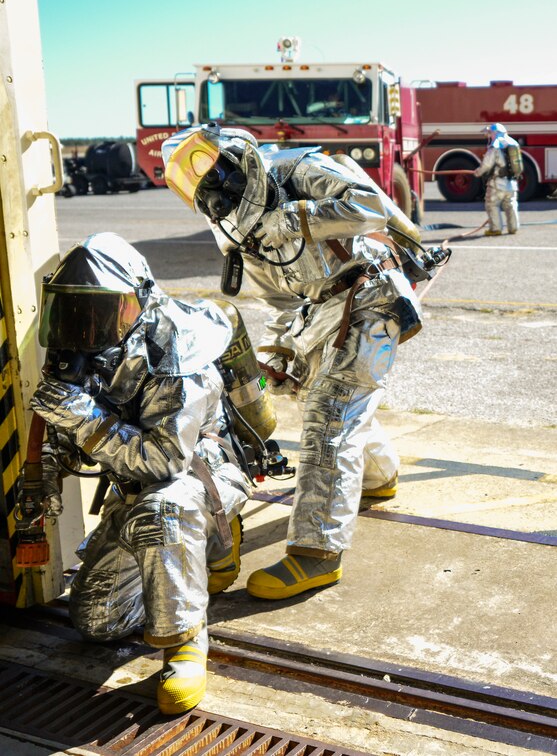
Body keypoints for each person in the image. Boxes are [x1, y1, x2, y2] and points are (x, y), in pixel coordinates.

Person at [162, 123, 424, 601]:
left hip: (372, 293)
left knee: (332, 407)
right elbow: (282, 301)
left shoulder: (296, 169)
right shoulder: (233, 234)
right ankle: (379, 477)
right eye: (187, 182)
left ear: (233, 159)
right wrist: (282, 350)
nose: (204, 187)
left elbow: (372, 207)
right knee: (322, 395)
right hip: (321, 310)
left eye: (203, 167)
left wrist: (297, 218)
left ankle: (316, 553)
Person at [29, 232, 250, 714]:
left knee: (163, 509)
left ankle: (186, 642)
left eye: (103, 311)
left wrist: (80, 415)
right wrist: (43, 478)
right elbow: (62, 442)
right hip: (131, 491)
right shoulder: (85, 349)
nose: (87, 327)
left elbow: (164, 461)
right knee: (97, 622)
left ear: (141, 302)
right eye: (76, 312)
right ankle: (181, 561)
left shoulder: (180, 355)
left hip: (195, 479)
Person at [473, 122, 520, 236]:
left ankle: (495, 229)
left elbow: (487, 165)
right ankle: (513, 227)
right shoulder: (513, 143)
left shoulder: (495, 145)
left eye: (489, 133)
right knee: (511, 204)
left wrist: (477, 172)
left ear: (494, 133)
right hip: (512, 183)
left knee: (492, 204)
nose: (488, 136)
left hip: (497, 183)